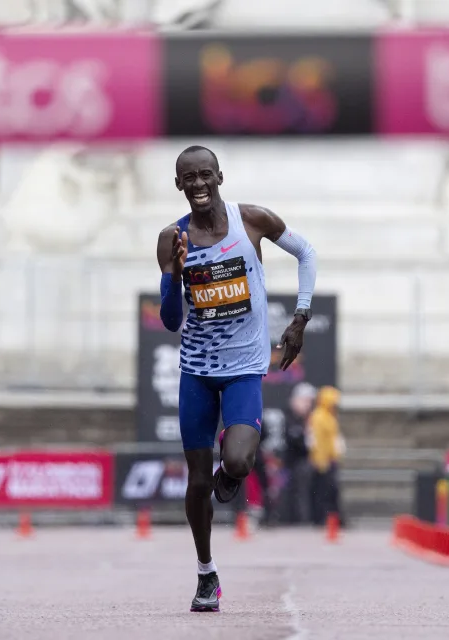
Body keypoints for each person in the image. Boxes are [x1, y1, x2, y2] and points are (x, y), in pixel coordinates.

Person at [156, 145, 317, 613]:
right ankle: (207, 573)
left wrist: (301, 317)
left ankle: (232, 472)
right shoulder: (172, 239)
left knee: (241, 461)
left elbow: (306, 252)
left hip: (244, 368)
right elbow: (170, 321)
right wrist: (176, 275)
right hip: (198, 372)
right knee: (197, 483)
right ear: (179, 185)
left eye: (206, 175)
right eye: (189, 178)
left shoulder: (252, 221)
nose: (199, 184)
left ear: (220, 177)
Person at [281, 382, 317, 525]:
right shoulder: (287, 417)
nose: (308, 405)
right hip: (290, 462)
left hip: (305, 461)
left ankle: (306, 518)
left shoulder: (310, 418)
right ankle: (298, 519)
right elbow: (293, 440)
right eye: (306, 401)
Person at [308, 385, 344, 526]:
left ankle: (332, 518)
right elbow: (317, 440)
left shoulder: (330, 416)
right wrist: (320, 460)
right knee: (323, 490)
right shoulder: (319, 417)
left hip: (330, 459)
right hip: (323, 461)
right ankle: (322, 518)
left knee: (330, 490)